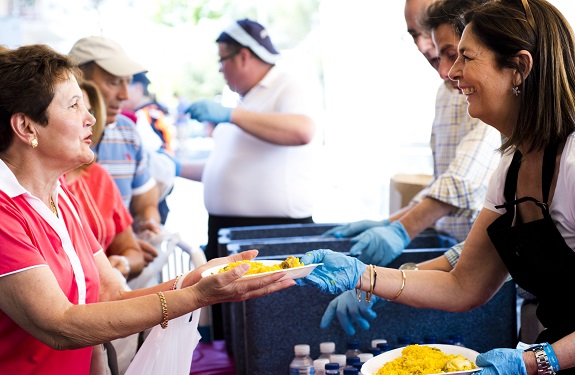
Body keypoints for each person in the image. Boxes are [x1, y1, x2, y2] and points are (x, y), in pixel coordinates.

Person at [298, 0, 575, 374]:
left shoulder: (573, 162)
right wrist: (363, 275)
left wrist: (538, 361)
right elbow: (464, 284)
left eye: (465, 57)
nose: (453, 73)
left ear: (519, 69)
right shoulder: (511, 169)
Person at [0, 43, 295, 375]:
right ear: (26, 128)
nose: (91, 118)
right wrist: (196, 297)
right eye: (73, 106)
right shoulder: (3, 213)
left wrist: (196, 280)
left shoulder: (61, 196)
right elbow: (59, 325)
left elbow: (110, 295)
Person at [320, 0, 500, 335]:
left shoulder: (522, 136)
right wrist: (378, 267)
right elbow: (471, 261)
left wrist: (382, 266)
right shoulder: (508, 166)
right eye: (413, 34)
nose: (449, 70)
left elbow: (462, 182)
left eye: (458, 55)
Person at [180, 18, 321, 340]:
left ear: (243, 56)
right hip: (232, 227)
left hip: (270, 230)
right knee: (235, 331)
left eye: (222, 60)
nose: (219, 70)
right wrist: (174, 167)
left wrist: (229, 115)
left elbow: (301, 131)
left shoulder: (287, 83)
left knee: (269, 331)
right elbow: (227, 168)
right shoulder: (248, 100)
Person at [68, 36, 161, 261]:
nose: (124, 95)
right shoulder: (53, 140)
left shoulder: (128, 133)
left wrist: (145, 227)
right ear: (77, 80)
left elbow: (146, 204)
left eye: (127, 82)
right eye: (113, 82)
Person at [65, 79, 147, 281]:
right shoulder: (21, 190)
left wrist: (122, 263)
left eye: (91, 111)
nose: (90, 120)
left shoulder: (98, 177)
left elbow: (133, 253)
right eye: (74, 107)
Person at [123, 72, 180, 225]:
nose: (121, 94)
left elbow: (146, 150)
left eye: (125, 84)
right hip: (161, 181)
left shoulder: (142, 115)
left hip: (152, 186)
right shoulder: (155, 110)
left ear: (138, 88)